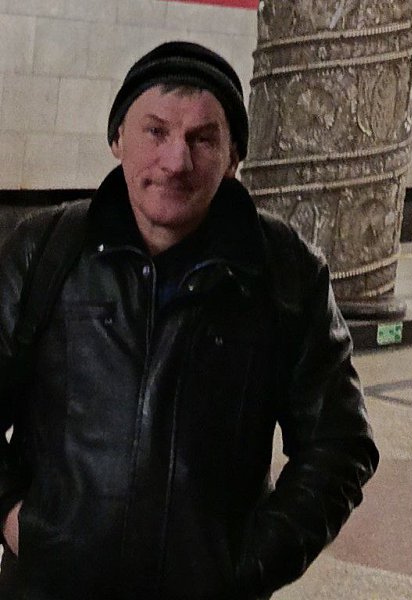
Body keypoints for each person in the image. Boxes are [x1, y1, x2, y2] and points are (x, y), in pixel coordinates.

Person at [0, 41, 378, 599]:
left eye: (203, 139)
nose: (176, 162)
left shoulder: (283, 272)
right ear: (117, 138)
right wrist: (14, 518)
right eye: (155, 131)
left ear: (233, 157)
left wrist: (249, 566)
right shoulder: (45, 251)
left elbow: (340, 444)